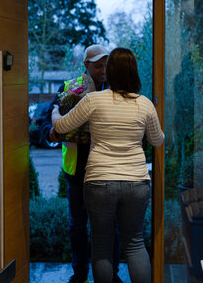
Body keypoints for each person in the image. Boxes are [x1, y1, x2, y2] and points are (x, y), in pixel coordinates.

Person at [52, 47, 165, 283]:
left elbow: (61, 126)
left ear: (111, 72)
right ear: (134, 73)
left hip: (99, 181)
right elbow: (158, 140)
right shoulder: (144, 104)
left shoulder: (94, 100)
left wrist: (54, 111)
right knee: (135, 244)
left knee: (102, 247)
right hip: (136, 182)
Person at [49, 44, 123, 283]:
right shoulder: (69, 88)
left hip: (107, 169)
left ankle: (112, 274)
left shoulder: (119, 90)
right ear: (86, 66)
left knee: (110, 226)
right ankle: (79, 273)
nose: (103, 70)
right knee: (77, 227)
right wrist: (51, 132)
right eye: (98, 66)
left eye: (106, 65)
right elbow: (46, 121)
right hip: (77, 171)